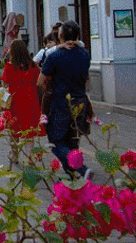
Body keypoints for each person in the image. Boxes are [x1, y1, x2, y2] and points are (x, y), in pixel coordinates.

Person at [37, 21, 92, 179]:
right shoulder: (85, 54)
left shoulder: (54, 56)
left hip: (61, 102)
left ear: (60, 36)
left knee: (55, 141)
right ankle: (71, 172)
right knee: (73, 140)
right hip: (80, 101)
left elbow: (40, 82)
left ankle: (81, 169)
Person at [1, 40, 44, 162]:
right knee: (29, 131)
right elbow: (39, 82)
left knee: (14, 129)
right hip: (31, 100)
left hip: (15, 101)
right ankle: (30, 157)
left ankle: (14, 155)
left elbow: (5, 83)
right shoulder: (32, 66)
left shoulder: (9, 66)